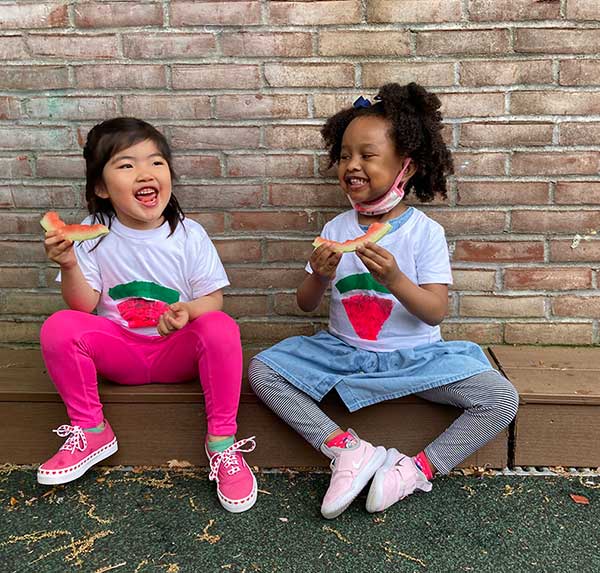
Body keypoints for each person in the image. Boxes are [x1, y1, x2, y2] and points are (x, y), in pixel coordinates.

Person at [248, 83, 518, 519]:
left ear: (406, 167)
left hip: (417, 359)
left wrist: (394, 278)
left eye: (367, 155)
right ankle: (347, 451)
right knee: (262, 371)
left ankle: (412, 471)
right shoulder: (336, 228)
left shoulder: (425, 232)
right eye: (344, 156)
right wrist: (319, 274)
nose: (351, 165)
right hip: (345, 353)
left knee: (501, 399)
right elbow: (304, 303)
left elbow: (434, 310)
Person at [38, 117, 257, 513]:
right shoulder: (93, 231)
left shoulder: (189, 234)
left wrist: (188, 311)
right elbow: (83, 307)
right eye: (126, 165)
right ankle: (91, 430)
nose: (145, 172)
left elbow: (213, 299)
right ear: (101, 187)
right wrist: (69, 264)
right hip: (120, 354)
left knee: (221, 327)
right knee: (59, 326)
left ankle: (222, 443)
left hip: (176, 352)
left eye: (156, 162)